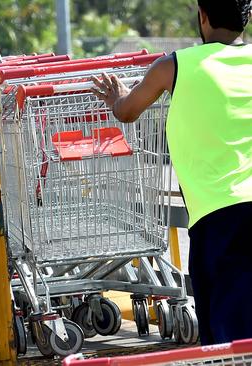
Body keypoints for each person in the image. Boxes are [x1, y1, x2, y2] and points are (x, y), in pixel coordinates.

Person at [92, 0, 252, 346]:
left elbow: (127, 111)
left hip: (220, 217)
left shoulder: (174, 67)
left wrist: (117, 95)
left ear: (203, 16)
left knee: (231, 341)